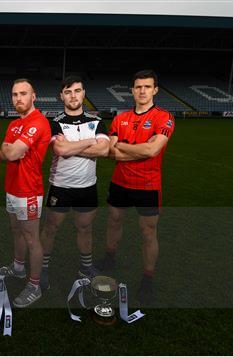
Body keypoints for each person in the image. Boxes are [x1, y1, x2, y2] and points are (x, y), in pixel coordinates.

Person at [95, 69, 175, 304]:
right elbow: (110, 152)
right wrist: (139, 148)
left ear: (155, 90)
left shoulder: (164, 117)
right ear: (132, 90)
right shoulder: (120, 118)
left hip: (148, 185)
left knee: (148, 232)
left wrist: (125, 145)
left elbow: (153, 150)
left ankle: (147, 279)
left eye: (147, 86)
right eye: (138, 87)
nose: (142, 91)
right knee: (113, 220)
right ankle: (110, 259)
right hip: (120, 182)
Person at [39, 75, 110, 290]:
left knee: (85, 228)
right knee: (51, 228)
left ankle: (85, 267)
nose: (73, 95)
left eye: (77, 90)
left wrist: (73, 146)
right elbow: (60, 150)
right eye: (68, 92)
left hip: (88, 186)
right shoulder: (54, 122)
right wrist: (90, 141)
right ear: (61, 96)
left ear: (83, 93)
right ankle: (41, 268)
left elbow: (104, 150)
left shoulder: (97, 122)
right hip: (60, 185)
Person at [0, 78, 51, 308]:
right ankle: (18, 268)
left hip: (28, 190)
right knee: (15, 230)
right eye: (14, 94)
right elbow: (4, 153)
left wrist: (11, 149)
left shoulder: (38, 121)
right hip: (11, 187)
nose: (18, 98)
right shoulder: (13, 125)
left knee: (32, 238)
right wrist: (10, 149)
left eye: (23, 93)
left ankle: (34, 285)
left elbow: (10, 153)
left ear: (33, 96)